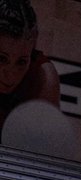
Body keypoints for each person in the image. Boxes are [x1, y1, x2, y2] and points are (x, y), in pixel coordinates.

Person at [0, 0, 59, 132]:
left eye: (21, 62)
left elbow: (43, 147)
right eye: (2, 59)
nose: (11, 75)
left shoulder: (42, 77)